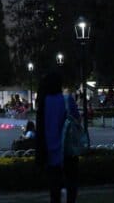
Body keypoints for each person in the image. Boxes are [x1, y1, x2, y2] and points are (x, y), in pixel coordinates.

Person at [35, 72, 80, 203]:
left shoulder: (44, 103)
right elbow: (77, 121)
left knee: (54, 191)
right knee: (71, 186)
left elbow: (41, 131)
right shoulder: (67, 100)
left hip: (51, 153)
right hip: (68, 150)